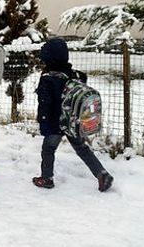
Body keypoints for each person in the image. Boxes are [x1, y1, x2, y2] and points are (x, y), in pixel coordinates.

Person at [33, 37, 113, 192]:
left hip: (55, 123)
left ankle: (46, 178)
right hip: (72, 121)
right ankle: (101, 173)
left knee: (48, 149)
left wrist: (43, 122)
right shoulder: (76, 75)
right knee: (81, 148)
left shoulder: (48, 79)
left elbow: (45, 103)